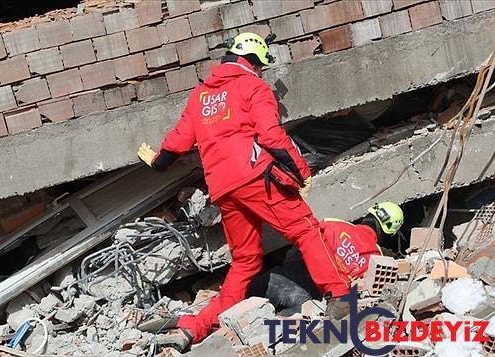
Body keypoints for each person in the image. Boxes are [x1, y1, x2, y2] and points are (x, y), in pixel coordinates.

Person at [137, 32, 350, 350]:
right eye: (261, 65)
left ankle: (194, 328)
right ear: (251, 61)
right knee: (306, 231)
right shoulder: (253, 86)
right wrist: (302, 173)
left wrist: (156, 161)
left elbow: (176, 144)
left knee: (246, 262)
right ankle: (341, 299)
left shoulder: (200, 96)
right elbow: (272, 138)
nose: (262, 71)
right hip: (256, 179)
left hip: (223, 189)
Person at [247, 202, 404, 314]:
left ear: (370, 214)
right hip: (310, 302)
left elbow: (304, 241)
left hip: (278, 279)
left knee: (247, 302)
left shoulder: (335, 224)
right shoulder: (376, 259)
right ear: (390, 232)